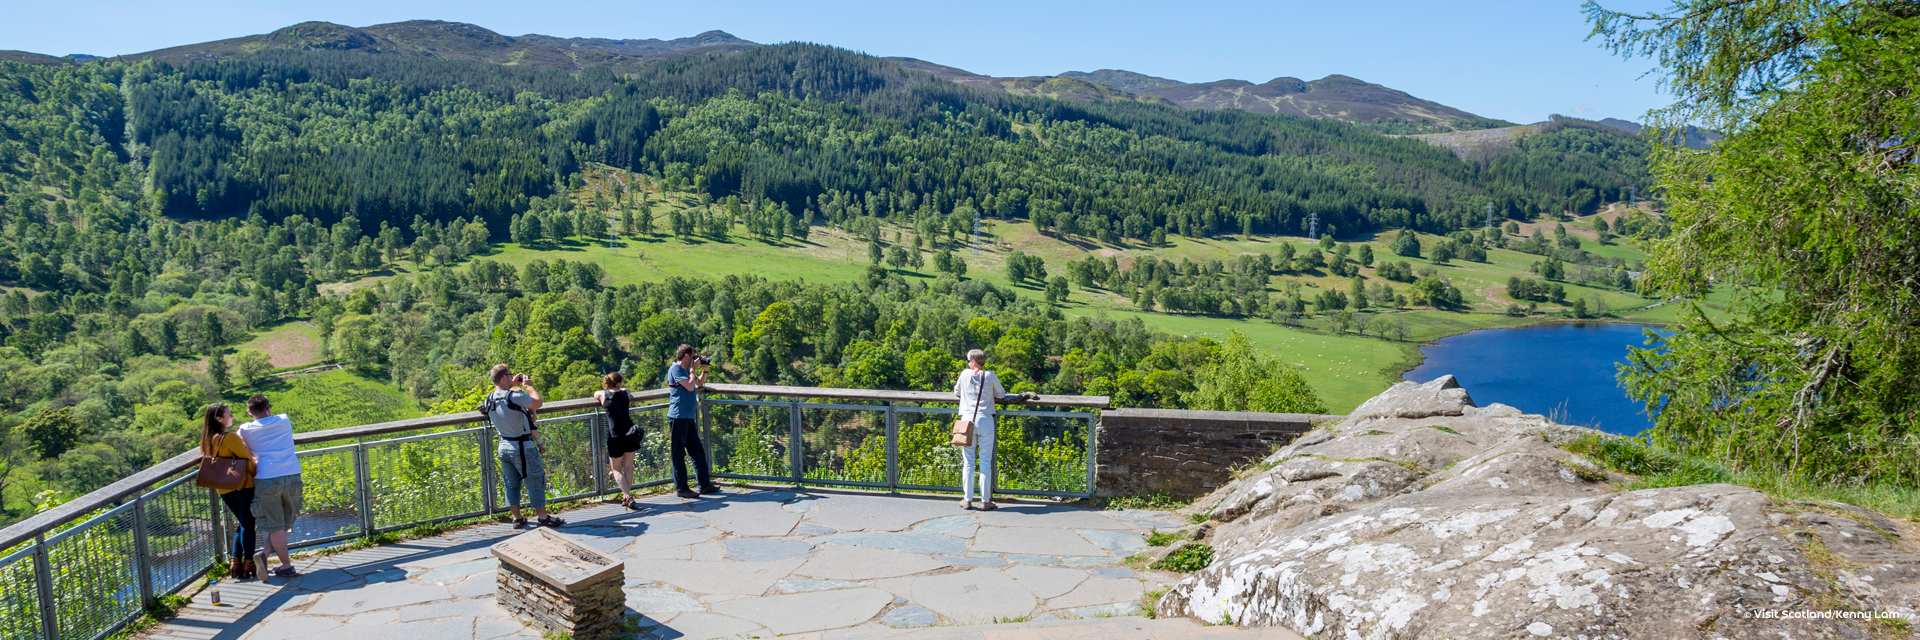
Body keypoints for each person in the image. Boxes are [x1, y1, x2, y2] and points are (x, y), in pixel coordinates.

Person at [482, 364, 564, 528]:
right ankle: (543, 517)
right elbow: (537, 403)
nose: (512, 377)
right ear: (503, 377)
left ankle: (517, 518)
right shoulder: (515, 397)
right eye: (509, 375)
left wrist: (512, 384)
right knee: (535, 481)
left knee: (511, 484)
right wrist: (529, 386)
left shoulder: (489, 399)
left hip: (504, 446)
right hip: (523, 446)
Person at [236, 394, 302, 578]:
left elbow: (238, 444)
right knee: (285, 523)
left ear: (249, 412)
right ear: (268, 408)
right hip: (291, 474)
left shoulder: (244, 430)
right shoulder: (284, 420)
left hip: (266, 479)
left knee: (276, 526)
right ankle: (268, 558)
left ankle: (283, 565)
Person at [201, 402, 257, 580]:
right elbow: (248, 461)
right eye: (229, 414)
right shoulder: (230, 437)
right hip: (242, 486)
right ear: (219, 419)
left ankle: (235, 562)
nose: (232, 416)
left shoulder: (207, 440)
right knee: (248, 524)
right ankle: (248, 562)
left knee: (243, 522)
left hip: (223, 489)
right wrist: (257, 473)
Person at [954, 349, 1008, 511]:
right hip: (985, 419)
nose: (968, 363)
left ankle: (967, 499)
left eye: (968, 361)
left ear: (973, 362)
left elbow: (957, 391)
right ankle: (985, 501)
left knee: (968, 462)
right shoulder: (989, 375)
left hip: (967, 420)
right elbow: (1001, 394)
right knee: (985, 461)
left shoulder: (964, 374)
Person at [667, 345, 719, 500]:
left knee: (697, 452)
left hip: (688, 417)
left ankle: (704, 485)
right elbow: (690, 387)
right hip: (678, 417)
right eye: (693, 357)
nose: (695, 360)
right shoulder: (676, 370)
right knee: (678, 455)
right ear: (686, 356)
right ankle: (682, 489)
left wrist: (704, 370)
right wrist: (692, 369)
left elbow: (699, 384)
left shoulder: (686, 370)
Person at [595, 372, 642, 510]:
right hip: (630, 434)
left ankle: (627, 496)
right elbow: (627, 390)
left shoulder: (603, 396)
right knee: (628, 467)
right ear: (618, 383)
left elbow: (596, 393)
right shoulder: (625, 393)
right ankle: (627, 496)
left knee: (616, 468)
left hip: (615, 436)